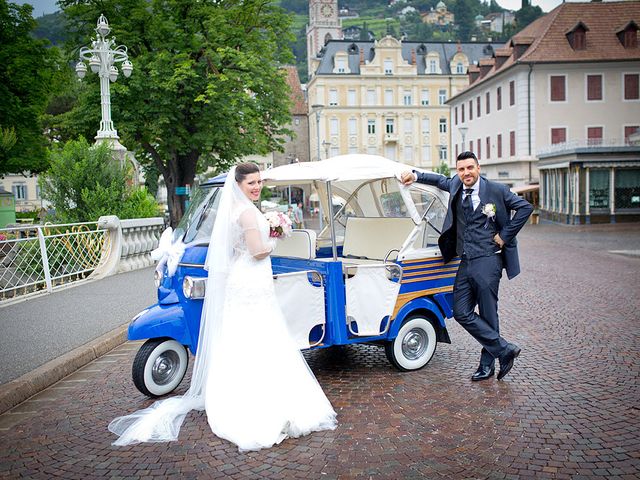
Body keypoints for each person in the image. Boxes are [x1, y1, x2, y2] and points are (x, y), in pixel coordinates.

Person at [109, 162, 337, 451]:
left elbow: (234, 252)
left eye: (258, 182)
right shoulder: (246, 214)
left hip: (241, 281)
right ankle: (262, 400)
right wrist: (278, 238)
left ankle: (235, 394)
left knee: (240, 338)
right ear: (239, 185)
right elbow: (257, 252)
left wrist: (270, 229)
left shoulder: (232, 213)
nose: (256, 187)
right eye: (250, 183)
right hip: (253, 281)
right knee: (261, 336)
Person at [401, 151, 532, 381]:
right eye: (461, 169)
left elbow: (524, 208)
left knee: (489, 314)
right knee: (461, 311)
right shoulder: (455, 184)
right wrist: (414, 175)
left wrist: (504, 236)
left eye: (470, 168)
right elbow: (438, 180)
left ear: (478, 168)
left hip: (488, 260)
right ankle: (505, 350)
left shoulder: (496, 191)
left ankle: (486, 365)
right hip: (465, 260)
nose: (466, 173)